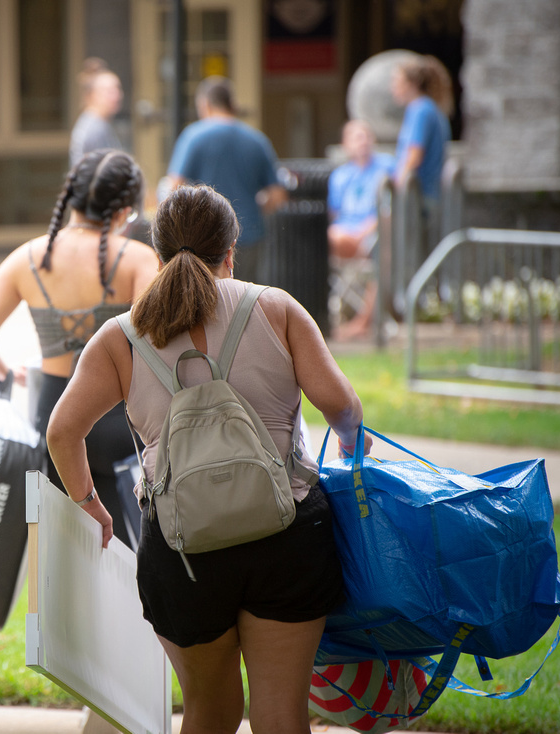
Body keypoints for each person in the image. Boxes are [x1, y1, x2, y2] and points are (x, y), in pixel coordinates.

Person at [47, 184, 371, 734]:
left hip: (181, 550)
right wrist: (348, 443)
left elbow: (62, 432)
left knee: (208, 712)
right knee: (281, 716)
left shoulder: (120, 338)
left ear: (157, 251)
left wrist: (89, 503)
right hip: (287, 532)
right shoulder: (276, 308)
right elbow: (343, 406)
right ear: (232, 247)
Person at [0, 149, 158, 548]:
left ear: (71, 197)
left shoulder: (27, 259)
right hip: (118, 417)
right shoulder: (138, 259)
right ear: (124, 209)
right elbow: (156, 343)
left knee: (64, 557)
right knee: (126, 548)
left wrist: (7, 371)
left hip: (52, 419)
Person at [166, 76, 286, 284]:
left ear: (205, 104)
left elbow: (174, 187)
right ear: (232, 104)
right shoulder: (257, 140)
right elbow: (278, 196)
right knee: (246, 300)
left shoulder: (193, 136)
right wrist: (255, 209)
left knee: (206, 299)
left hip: (205, 238)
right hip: (248, 234)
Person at [327, 119, 395, 339]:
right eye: (357, 137)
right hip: (342, 236)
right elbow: (333, 214)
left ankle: (364, 321)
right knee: (323, 239)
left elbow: (389, 209)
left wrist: (362, 232)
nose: (363, 142)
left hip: (375, 236)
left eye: (366, 136)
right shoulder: (340, 176)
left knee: (381, 249)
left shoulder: (386, 168)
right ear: (345, 144)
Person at [391, 54, 452, 243]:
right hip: (430, 196)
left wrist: (395, 189)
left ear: (412, 83)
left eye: (396, 81)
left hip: (418, 197)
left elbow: (414, 155)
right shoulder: (433, 109)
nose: (393, 87)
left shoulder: (420, 110)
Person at [68, 59, 124, 168]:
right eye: (109, 91)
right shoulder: (93, 129)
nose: (117, 96)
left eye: (118, 89)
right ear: (92, 95)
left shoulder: (100, 123)